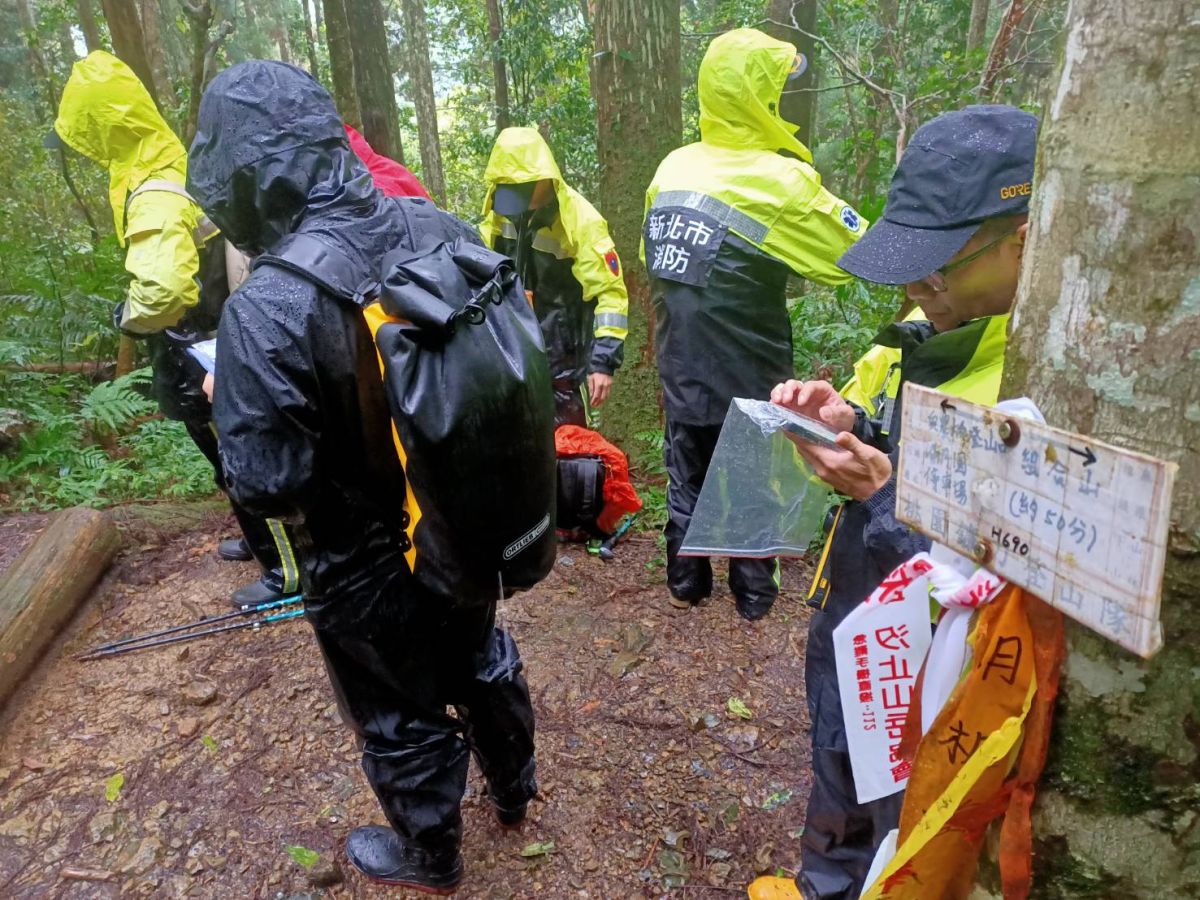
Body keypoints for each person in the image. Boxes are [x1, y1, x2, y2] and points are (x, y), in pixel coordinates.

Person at [187, 61, 538, 893]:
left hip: (360, 557)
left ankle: (431, 853)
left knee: (395, 703)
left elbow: (268, 482)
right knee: (478, 647)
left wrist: (226, 394)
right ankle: (516, 788)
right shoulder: (442, 225)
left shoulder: (268, 307)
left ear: (245, 174)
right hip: (462, 515)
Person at [749, 104, 1038, 900]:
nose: (917, 288)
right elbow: (884, 431)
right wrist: (842, 422)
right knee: (837, 788)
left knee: (903, 828)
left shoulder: (1041, 384)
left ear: (1027, 233)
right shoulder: (926, 323)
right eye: (909, 265)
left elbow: (996, 594)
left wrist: (882, 497)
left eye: (937, 267)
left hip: (938, 675)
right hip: (852, 618)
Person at [46, 50, 295, 609]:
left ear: (101, 130)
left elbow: (162, 293)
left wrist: (127, 316)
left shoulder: (153, 190)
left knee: (239, 453)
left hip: (201, 344)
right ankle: (266, 546)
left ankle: (287, 568)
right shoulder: (174, 166)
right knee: (232, 451)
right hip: (218, 334)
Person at [643, 28, 867, 621]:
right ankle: (753, 595)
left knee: (685, 469)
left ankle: (686, 583)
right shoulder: (778, 181)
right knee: (749, 477)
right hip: (750, 366)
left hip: (680, 359)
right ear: (762, 96)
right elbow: (852, 253)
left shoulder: (671, 167)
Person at [481, 127, 628, 426]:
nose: (515, 201)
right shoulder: (502, 209)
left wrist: (603, 362)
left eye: (521, 189)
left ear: (544, 178)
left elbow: (609, 293)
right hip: (511, 354)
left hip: (564, 362)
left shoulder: (580, 221)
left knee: (570, 447)